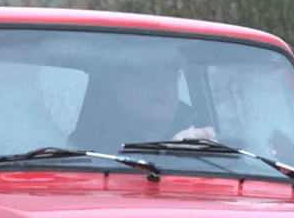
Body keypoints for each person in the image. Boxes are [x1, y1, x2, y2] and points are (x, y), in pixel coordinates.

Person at [67, 54, 215, 153]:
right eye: (148, 77)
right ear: (120, 89)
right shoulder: (88, 146)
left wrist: (209, 148)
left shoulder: (201, 136)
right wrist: (171, 150)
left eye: (169, 78)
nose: (161, 87)